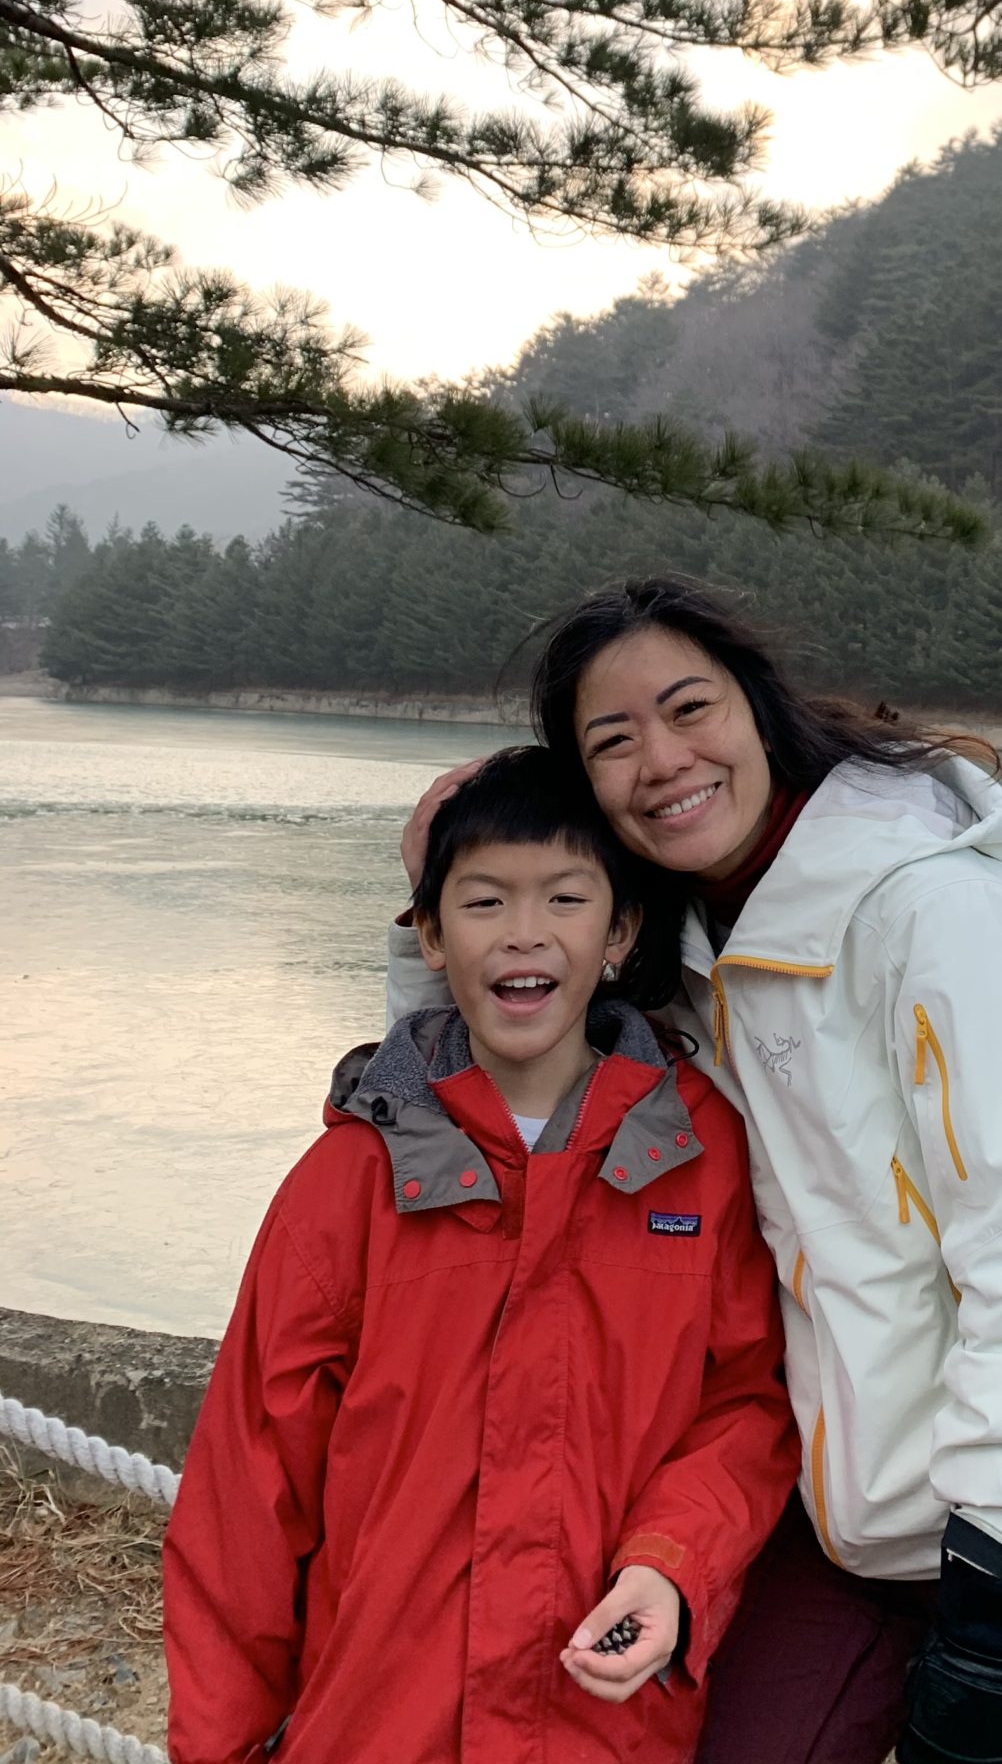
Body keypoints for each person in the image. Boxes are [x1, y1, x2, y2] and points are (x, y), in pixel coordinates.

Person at [392, 581, 1002, 1764]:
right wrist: (436, 892)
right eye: (611, 741)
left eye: (689, 709)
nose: (662, 759)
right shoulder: (680, 955)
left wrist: (992, 1596)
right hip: (848, 1520)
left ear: (759, 708)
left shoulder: (939, 906)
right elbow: (496, 1113)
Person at [165, 745, 798, 1764]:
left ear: (621, 928)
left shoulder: (702, 1159)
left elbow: (747, 1404)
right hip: (371, 1727)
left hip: (607, 1729)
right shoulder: (350, 1182)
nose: (525, 934)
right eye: (485, 900)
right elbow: (242, 1502)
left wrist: (673, 1563)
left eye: (565, 896)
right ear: (427, 935)